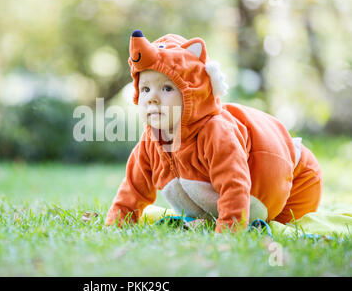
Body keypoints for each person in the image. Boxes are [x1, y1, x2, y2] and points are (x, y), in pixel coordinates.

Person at [105, 30, 322, 233]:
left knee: (277, 226)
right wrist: (115, 224)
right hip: (227, 202)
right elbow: (133, 188)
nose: (152, 97)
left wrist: (228, 232)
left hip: (298, 179)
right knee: (218, 220)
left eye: (167, 88)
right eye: (145, 89)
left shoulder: (215, 132)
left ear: (193, 93)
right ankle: (213, 218)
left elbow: (233, 184)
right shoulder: (151, 140)